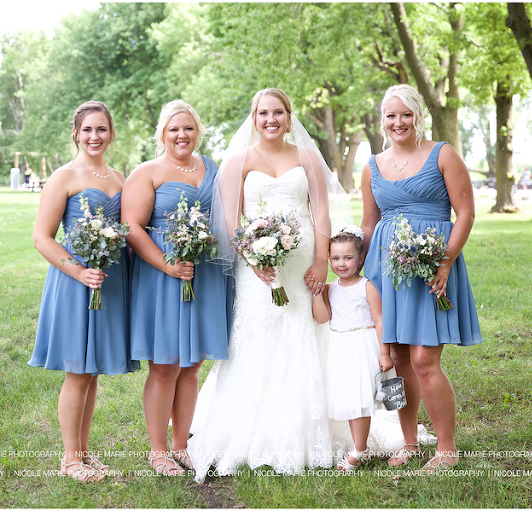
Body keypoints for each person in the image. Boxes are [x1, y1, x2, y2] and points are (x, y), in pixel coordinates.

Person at [187, 88, 352, 482]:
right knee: (259, 335)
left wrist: (320, 261)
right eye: (263, 113)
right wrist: (254, 259)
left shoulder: (307, 158)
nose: (271, 119)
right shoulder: (238, 162)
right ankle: (249, 430)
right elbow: (230, 222)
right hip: (255, 266)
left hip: (301, 264)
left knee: (304, 333)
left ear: (289, 117)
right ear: (254, 116)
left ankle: (311, 431)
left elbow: (322, 215)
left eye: (278, 112)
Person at [360, 84, 483, 474]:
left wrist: (445, 263)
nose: (399, 122)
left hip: (431, 268)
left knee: (424, 360)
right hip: (385, 270)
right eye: (391, 116)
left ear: (418, 116)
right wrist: (351, 270)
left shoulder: (442, 154)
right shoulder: (371, 166)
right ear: (383, 120)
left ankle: (446, 448)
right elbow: (368, 223)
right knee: (394, 362)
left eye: (406, 114)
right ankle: (408, 439)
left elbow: (464, 213)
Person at [122, 100, 233, 476]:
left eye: (187, 128)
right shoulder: (148, 172)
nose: (181, 135)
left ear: (197, 130)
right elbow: (132, 227)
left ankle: (182, 445)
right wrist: (167, 263)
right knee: (166, 365)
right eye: (173, 129)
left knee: (192, 364)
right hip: (163, 275)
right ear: (162, 134)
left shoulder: (213, 169)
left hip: (205, 274)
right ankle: (157, 451)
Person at [29, 100, 138, 482]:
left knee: (91, 373)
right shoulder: (64, 176)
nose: (95, 136)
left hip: (109, 283)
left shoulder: (120, 178)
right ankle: (70, 460)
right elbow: (42, 238)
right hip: (77, 283)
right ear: (75, 133)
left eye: (102, 129)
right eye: (87, 129)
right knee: (77, 371)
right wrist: (78, 273)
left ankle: (84, 453)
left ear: (111, 134)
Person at [311, 227, 393, 473]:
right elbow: (323, 318)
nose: (341, 264)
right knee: (349, 398)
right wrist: (316, 294)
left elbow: (380, 320)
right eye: (335, 258)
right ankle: (362, 447)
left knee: (359, 400)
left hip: (363, 345)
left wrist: (385, 352)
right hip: (341, 347)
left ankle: (358, 450)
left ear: (360, 259)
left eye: (348, 258)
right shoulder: (330, 288)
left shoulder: (366, 286)